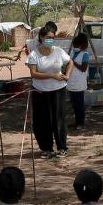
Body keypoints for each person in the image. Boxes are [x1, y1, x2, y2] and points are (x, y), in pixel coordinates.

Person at [26, 25, 72, 158]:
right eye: (48, 38)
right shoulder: (34, 54)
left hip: (58, 90)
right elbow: (33, 73)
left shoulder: (59, 51)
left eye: (52, 38)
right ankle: (46, 149)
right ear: (41, 37)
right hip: (40, 92)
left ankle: (62, 147)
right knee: (42, 121)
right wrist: (52, 75)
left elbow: (70, 62)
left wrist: (67, 74)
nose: (50, 40)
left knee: (58, 120)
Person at [66, 32, 91, 130]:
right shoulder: (72, 52)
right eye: (74, 45)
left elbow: (83, 68)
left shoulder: (85, 54)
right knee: (74, 104)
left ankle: (81, 123)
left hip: (79, 83)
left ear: (81, 45)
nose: (75, 47)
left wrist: (73, 62)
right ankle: (77, 122)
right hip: (71, 82)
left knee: (79, 104)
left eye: (76, 45)